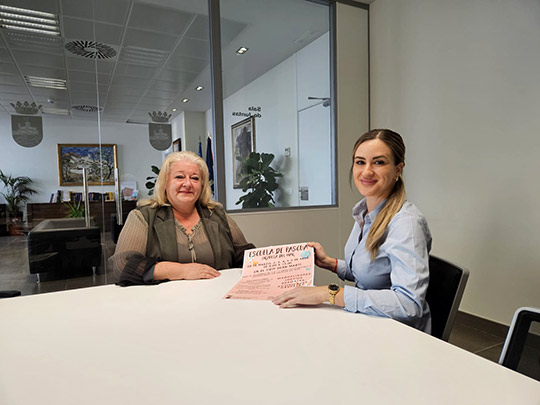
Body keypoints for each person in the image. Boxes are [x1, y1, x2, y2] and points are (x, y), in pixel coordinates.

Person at [272, 129, 432, 333]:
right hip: (368, 322)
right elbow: (372, 274)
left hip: (397, 334)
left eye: (379, 162)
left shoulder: (406, 224)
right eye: (360, 162)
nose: (366, 172)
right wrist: (330, 264)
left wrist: (329, 293)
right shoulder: (365, 212)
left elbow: (409, 304)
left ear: (398, 169)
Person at [110, 151, 255, 286]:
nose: (187, 184)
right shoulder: (143, 217)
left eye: (195, 178)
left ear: (202, 185)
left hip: (217, 298)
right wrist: (181, 271)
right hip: (164, 304)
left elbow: (246, 256)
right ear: (165, 183)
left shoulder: (217, 214)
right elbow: (122, 265)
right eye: (179, 177)